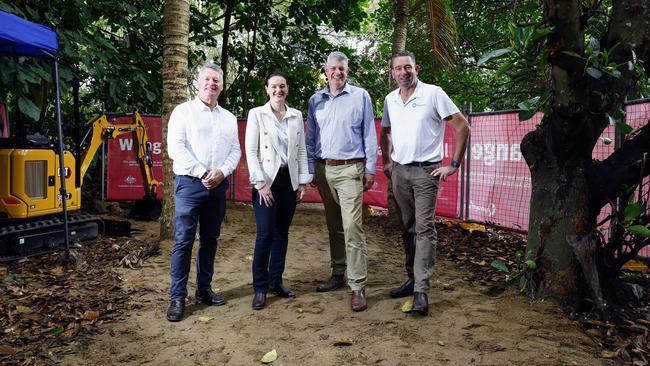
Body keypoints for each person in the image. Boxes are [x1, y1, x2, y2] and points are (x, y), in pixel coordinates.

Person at [380, 50, 470, 316]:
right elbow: (386, 131)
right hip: (399, 172)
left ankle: (422, 290)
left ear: (416, 68)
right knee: (407, 227)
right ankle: (411, 279)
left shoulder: (433, 93)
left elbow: (462, 126)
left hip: (426, 173)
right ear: (393, 73)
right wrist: (387, 161)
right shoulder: (390, 99)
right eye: (398, 69)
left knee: (424, 228)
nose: (403, 72)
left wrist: (453, 164)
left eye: (407, 67)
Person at [165, 63, 241, 322]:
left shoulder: (229, 118)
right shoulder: (182, 112)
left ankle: (204, 290)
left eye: (216, 80)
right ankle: (177, 297)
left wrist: (221, 172)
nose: (211, 84)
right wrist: (202, 172)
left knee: (211, 240)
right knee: (184, 241)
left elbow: (235, 151)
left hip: (218, 186)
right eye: (207, 79)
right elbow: (176, 148)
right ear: (197, 83)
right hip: (189, 184)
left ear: (221, 86)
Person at [306, 51, 377, 312]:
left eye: (342, 69)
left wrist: (370, 169)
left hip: (351, 169)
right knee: (334, 225)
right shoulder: (315, 100)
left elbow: (370, 134)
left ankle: (357, 285)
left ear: (347, 71)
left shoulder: (361, 96)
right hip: (324, 170)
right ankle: (338, 272)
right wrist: (311, 169)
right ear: (325, 70)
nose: (338, 72)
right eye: (333, 68)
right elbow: (310, 137)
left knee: (352, 227)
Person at [245, 71, 312, 310]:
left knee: (282, 232)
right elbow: (251, 152)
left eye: (282, 86)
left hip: (289, 182)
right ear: (267, 89)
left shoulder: (296, 115)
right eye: (273, 86)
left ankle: (276, 281)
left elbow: (302, 150)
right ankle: (260, 288)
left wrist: (302, 182)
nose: (278, 90)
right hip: (267, 182)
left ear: (287, 89)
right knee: (265, 234)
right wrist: (260, 184)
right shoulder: (257, 114)